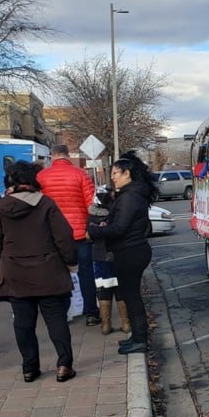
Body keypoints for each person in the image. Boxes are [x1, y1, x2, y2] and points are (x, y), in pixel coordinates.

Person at [0, 160, 78, 383]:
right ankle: (64, 365)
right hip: (48, 272)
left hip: (15, 273)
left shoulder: (0, 208)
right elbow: (64, 237)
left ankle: (29, 368)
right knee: (56, 321)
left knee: (23, 323)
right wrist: (71, 263)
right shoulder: (46, 204)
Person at [87, 151, 156, 355]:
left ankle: (140, 340)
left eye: (116, 172)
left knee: (132, 297)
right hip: (129, 250)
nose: (113, 176)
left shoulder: (131, 196)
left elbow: (119, 228)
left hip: (131, 252)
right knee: (129, 295)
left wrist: (94, 231)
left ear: (128, 174)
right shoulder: (130, 194)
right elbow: (118, 224)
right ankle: (136, 337)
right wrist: (104, 224)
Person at [37, 144, 100, 326]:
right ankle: (91, 313)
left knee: (58, 274)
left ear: (52, 157)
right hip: (80, 232)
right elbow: (91, 206)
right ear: (67, 156)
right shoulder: (80, 174)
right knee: (86, 273)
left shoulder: (41, 177)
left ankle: (61, 314)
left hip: (53, 234)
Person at [88, 187, 130, 336]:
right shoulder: (116, 215)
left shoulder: (91, 216)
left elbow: (88, 237)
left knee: (104, 290)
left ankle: (105, 325)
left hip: (98, 256)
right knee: (120, 289)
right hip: (116, 255)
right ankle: (126, 323)